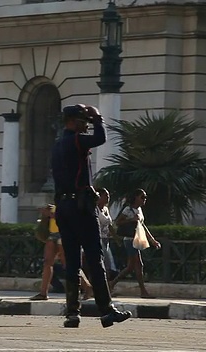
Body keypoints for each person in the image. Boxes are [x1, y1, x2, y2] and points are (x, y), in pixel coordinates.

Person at [51, 104, 131, 328]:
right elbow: (100, 138)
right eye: (82, 120)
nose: (85, 124)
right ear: (72, 121)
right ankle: (106, 311)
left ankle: (72, 313)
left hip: (63, 208)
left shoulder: (57, 146)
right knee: (95, 258)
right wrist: (98, 118)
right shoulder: (76, 140)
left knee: (73, 262)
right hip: (80, 207)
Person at [109, 189, 161, 298]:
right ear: (136, 197)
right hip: (129, 239)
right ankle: (143, 291)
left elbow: (142, 226)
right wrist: (131, 219)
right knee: (137, 264)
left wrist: (152, 240)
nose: (144, 199)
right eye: (142, 197)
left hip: (136, 239)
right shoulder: (128, 209)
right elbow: (117, 222)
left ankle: (112, 284)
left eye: (145, 197)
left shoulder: (139, 210)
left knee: (131, 266)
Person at [96, 188, 118, 280]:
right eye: (105, 195)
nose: (108, 197)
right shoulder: (95, 209)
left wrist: (116, 237)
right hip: (98, 239)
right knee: (106, 263)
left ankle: (107, 286)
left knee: (108, 263)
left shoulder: (105, 209)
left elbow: (109, 225)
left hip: (106, 239)